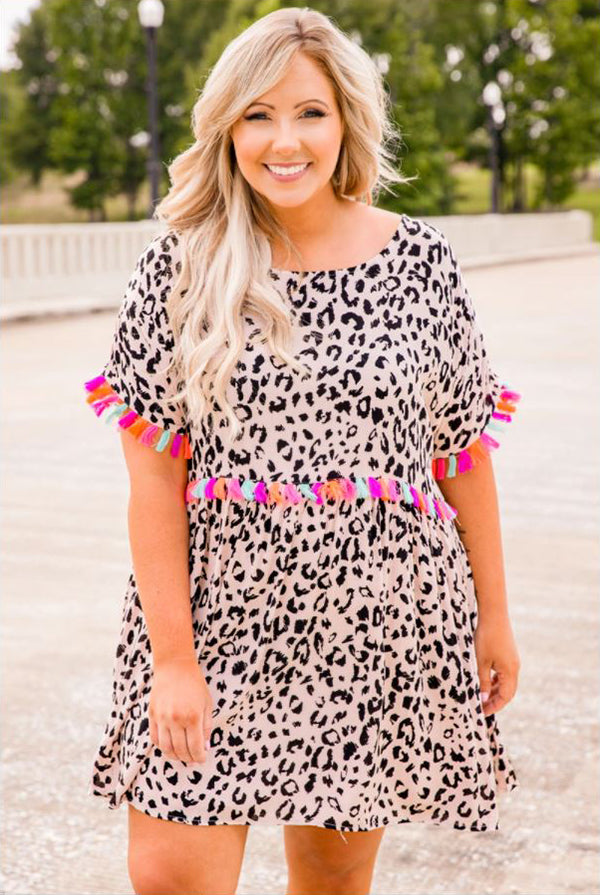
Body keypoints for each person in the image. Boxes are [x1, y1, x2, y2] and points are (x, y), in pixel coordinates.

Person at [83, 7, 522, 894]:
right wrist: (174, 658)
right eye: (258, 114)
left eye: (309, 112)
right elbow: (153, 482)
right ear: (228, 127)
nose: (285, 140)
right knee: (171, 877)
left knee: (330, 885)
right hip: (214, 625)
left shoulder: (423, 262)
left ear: (347, 120)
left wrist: (495, 613)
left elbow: (463, 451)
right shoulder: (181, 266)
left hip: (373, 623)